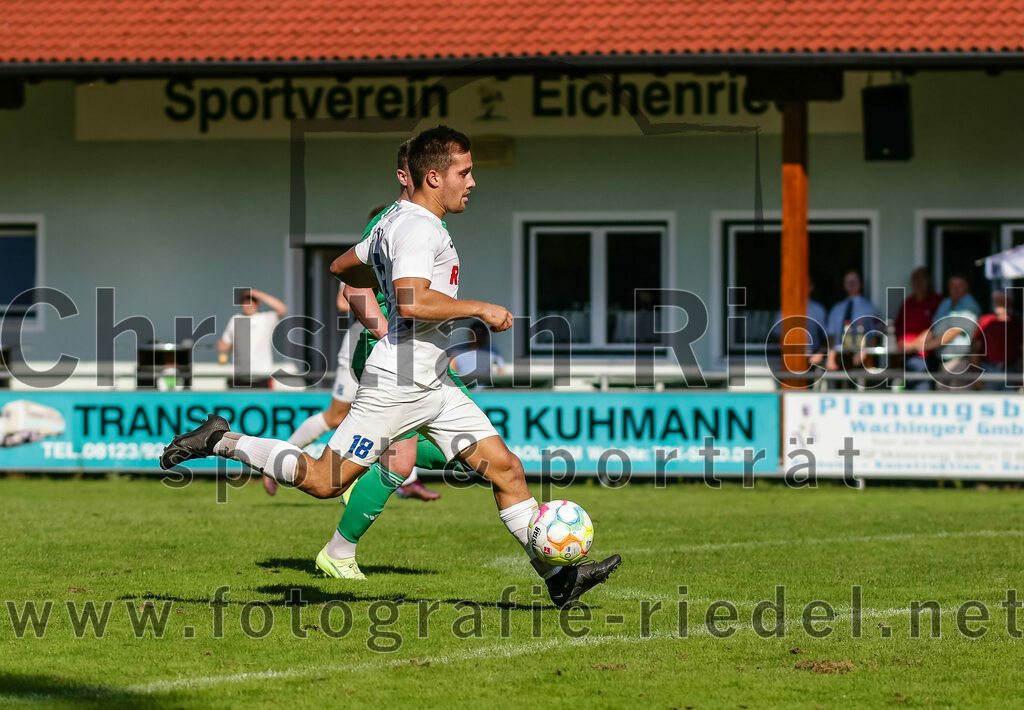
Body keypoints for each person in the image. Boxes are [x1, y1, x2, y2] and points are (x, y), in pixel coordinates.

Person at [161, 126, 621, 607]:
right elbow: (413, 302)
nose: (472, 182)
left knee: (506, 469)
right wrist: (480, 308)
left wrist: (374, 306)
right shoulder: (417, 228)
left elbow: (342, 268)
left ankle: (560, 582)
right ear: (433, 176)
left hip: (432, 380)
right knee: (323, 481)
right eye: (464, 173)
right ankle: (219, 441)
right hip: (398, 382)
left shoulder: (392, 221)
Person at [907, 274, 981, 389]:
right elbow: (934, 328)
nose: (955, 289)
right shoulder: (946, 302)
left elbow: (951, 334)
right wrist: (914, 343)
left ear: (966, 288)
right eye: (952, 285)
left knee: (958, 402)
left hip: (960, 363)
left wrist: (922, 346)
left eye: (959, 286)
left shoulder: (970, 306)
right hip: (943, 363)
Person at [217, 288, 287, 389]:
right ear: (241, 304)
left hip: (261, 377)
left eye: (252, 301)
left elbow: (282, 308)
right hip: (238, 376)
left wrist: (256, 293)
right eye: (246, 302)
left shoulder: (266, 318)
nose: (249, 305)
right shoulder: (234, 319)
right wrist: (224, 347)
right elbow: (228, 345)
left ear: (257, 303)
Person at [895, 267, 942, 390]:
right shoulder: (908, 303)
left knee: (921, 393)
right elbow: (897, 329)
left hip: (926, 358)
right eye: (915, 279)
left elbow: (937, 329)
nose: (918, 282)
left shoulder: (937, 301)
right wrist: (901, 343)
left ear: (928, 281)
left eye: (921, 278)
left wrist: (914, 345)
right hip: (905, 358)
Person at [824, 270, 880, 374]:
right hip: (840, 356)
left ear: (860, 284)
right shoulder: (837, 308)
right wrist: (830, 357)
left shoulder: (868, 308)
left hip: (861, 356)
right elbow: (831, 334)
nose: (852, 284)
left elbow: (874, 333)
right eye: (848, 281)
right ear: (844, 285)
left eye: (854, 281)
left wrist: (864, 352)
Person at [972, 290, 1022, 390]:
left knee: (1010, 401)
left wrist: (1021, 374)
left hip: (1010, 370)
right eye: (997, 301)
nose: (999, 304)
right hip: (988, 369)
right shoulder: (985, 320)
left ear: (1010, 303)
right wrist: (975, 375)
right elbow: (975, 349)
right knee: (988, 402)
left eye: (1003, 300)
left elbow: (1022, 350)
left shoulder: (1018, 323)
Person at [450, 320, 506, 388]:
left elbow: (501, 371)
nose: (477, 336)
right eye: (475, 332)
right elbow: (452, 372)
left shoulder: (492, 351)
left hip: (485, 389)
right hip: (463, 388)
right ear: (469, 333)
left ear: (486, 335)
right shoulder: (457, 351)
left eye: (481, 333)